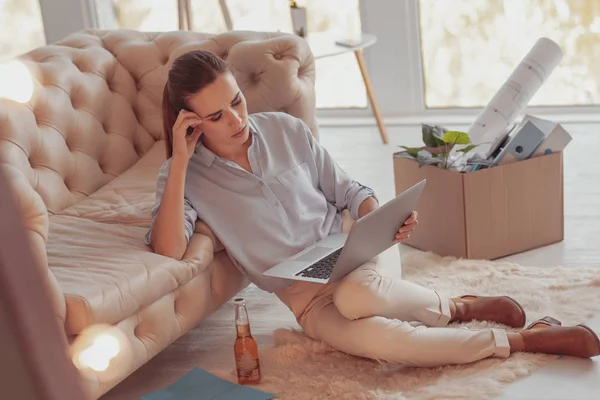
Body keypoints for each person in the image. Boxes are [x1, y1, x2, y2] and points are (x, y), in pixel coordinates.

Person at [146, 50, 600, 367]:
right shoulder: (183, 177)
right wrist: (182, 161)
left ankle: (455, 307)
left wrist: (378, 215)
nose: (237, 120)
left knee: (357, 295)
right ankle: (521, 339)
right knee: (380, 341)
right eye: (217, 116)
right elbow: (169, 248)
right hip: (305, 297)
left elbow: (350, 191)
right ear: (190, 123)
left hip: (353, 250)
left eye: (237, 102)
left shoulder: (285, 129)